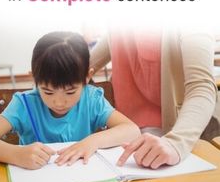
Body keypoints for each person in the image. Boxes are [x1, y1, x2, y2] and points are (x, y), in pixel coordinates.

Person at [0, 31, 140, 170]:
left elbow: (132, 130)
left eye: (70, 92)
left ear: (87, 77)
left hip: (81, 179)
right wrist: (16, 154)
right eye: (48, 92)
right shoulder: (24, 104)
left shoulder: (91, 99)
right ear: (35, 79)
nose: (59, 103)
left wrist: (92, 142)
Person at [90, 29, 219, 169]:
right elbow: (85, 64)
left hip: (169, 137)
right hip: (124, 137)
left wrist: (175, 142)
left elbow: (201, 86)